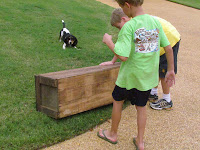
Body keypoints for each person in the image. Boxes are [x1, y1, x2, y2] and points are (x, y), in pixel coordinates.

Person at [97, 0, 175, 150]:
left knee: (117, 101)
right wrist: (170, 70)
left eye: (121, 7)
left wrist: (108, 42)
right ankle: (140, 142)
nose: (122, 10)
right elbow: (168, 48)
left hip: (128, 78)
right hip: (146, 78)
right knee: (141, 107)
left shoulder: (129, 26)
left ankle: (112, 134)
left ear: (127, 5)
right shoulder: (154, 22)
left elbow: (123, 56)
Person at [100, 8, 180, 110]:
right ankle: (153, 93)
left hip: (171, 38)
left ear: (124, 19)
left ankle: (167, 99)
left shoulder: (135, 23)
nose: (120, 30)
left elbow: (124, 54)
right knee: (156, 66)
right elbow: (126, 47)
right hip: (157, 40)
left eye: (119, 27)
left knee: (163, 71)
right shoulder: (132, 22)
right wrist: (112, 61)